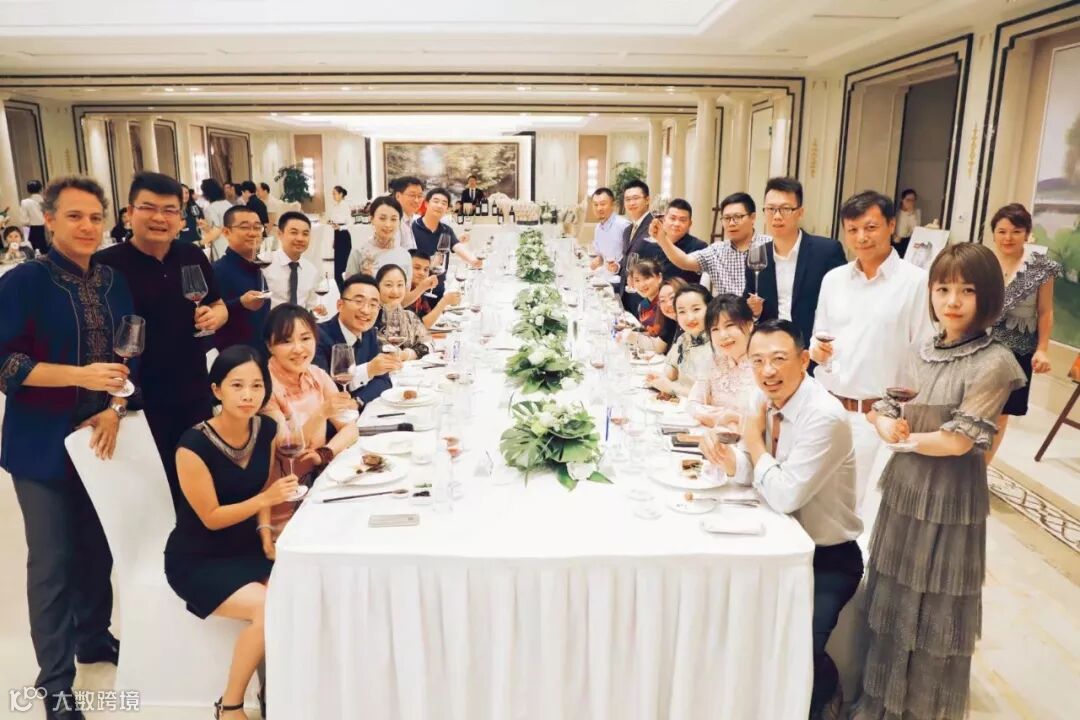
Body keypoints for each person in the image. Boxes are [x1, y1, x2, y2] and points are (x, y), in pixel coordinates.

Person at [852, 243, 1025, 720]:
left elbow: (959, 441)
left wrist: (903, 438)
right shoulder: (919, 350)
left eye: (967, 291)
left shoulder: (995, 362)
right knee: (893, 594)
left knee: (936, 610)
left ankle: (922, 710)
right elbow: (884, 407)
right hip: (905, 487)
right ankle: (880, 704)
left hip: (950, 496)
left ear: (987, 296)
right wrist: (885, 424)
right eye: (943, 289)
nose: (952, 301)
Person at [1, 176, 136, 720]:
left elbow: (131, 355)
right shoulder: (24, 282)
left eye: (96, 217)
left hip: (100, 437)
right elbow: (7, 366)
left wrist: (115, 408)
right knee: (52, 563)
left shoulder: (113, 281)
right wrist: (79, 375)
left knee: (97, 549)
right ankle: (55, 684)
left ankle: (94, 638)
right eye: (75, 216)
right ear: (50, 220)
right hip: (41, 444)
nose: (87, 226)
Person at [702, 319, 863, 719]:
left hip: (826, 557)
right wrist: (731, 460)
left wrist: (752, 443)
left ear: (804, 360)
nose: (767, 371)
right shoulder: (762, 399)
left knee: (796, 652)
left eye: (778, 359)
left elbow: (785, 494)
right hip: (775, 544)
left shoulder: (823, 417)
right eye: (757, 361)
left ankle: (822, 696)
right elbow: (759, 471)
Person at [164, 346, 297, 720]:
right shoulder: (192, 446)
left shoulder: (265, 429)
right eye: (237, 385)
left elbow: (264, 487)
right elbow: (211, 517)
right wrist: (265, 501)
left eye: (256, 386)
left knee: (298, 591)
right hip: (198, 558)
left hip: (247, 547)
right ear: (216, 389)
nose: (247, 395)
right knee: (270, 606)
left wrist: (266, 534)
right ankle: (230, 705)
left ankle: (282, 692)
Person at [96, 171, 228, 504]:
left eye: (169, 210)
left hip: (193, 390)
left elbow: (218, 303)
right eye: (148, 208)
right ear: (129, 212)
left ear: (181, 218)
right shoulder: (106, 266)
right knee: (152, 491)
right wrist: (115, 401)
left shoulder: (191, 256)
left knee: (197, 480)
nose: (159, 218)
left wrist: (217, 315)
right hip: (139, 399)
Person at [810, 191, 933, 520]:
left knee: (865, 515)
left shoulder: (916, 283)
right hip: (829, 408)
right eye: (852, 230)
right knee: (820, 506)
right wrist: (817, 351)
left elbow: (925, 354)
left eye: (870, 227)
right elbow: (820, 336)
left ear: (891, 225)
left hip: (877, 418)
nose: (861, 237)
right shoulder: (833, 280)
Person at [261, 305, 359, 534]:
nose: (298, 349)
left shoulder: (316, 375)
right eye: (286, 341)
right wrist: (321, 413)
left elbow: (351, 429)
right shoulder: (263, 387)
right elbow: (286, 447)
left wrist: (324, 453)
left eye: (305, 338)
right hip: (284, 501)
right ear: (269, 346)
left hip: (321, 486)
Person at [986, 203, 1062, 463]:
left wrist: (1042, 349)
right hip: (979, 346)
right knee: (971, 408)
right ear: (993, 234)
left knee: (1001, 414)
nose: (1008, 238)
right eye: (1002, 231)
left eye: (1016, 231)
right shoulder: (981, 263)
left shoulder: (1041, 268)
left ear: (1027, 234)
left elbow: (1045, 312)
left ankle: (982, 468)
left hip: (1017, 350)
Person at [745, 176, 847, 346]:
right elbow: (750, 305)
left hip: (814, 347)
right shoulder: (757, 256)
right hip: (772, 347)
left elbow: (843, 302)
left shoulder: (827, 252)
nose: (777, 216)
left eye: (785, 209)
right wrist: (754, 312)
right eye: (771, 209)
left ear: (800, 212)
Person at [315, 273, 402, 409]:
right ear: (340, 305)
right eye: (359, 301)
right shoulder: (318, 337)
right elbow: (323, 390)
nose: (366, 310)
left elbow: (383, 380)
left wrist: (358, 401)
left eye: (373, 304)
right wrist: (368, 370)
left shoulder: (369, 333)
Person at [653, 192, 767, 296]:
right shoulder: (716, 251)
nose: (731, 223)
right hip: (728, 311)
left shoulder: (769, 245)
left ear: (752, 218)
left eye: (737, 217)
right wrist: (662, 239)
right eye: (726, 218)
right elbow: (684, 260)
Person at [689, 294, 757, 427]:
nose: (723, 335)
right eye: (715, 329)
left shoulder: (764, 364)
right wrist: (721, 417)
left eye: (729, 325)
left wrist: (735, 420)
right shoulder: (714, 361)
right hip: (715, 436)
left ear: (749, 325)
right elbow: (692, 404)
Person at [212, 205, 270, 350]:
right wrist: (240, 303)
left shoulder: (259, 268)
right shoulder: (216, 271)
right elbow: (208, 317)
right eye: (245, 227)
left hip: (263, 353)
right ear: (226, 232)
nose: (253, 233)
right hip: (234, 356)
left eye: (257, 227)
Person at [645, 284, 713, 398]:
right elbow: (673, 368)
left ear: (710, 308)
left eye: (696, 309)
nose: (690, 318)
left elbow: (710, 397)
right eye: (682, 312)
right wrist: (660, 378)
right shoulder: (684, 338)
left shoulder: (720, 344)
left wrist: (672, 388)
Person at [263, 211, 328, 316]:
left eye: (305, 234)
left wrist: (316, 311)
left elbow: (310, 306)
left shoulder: (311, 270)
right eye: (294, 232)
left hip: (300, 323)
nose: (300, 238)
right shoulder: (265, 265)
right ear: (280, 234)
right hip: (269, 323)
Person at [344, 196, 415, 287]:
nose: (388, 224)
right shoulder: (359, 252)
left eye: (393, 219)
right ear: (372, 219)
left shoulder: (405, 255)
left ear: (399, 222)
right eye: (382, 218)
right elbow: (348, 289)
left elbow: (406, 294)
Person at [638, 198, 706, 287]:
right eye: (673, 218)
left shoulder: (699, 247)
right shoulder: (649, 245)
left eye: (682, 220)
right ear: (664, 220)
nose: (676, 224)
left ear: (690, 224)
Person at [411, 187, 482, 269]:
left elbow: (457, 246)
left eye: (444, 203)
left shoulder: (446, 230)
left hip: (440, 277)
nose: (439, 206)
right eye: (436, 201)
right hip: (419, 276)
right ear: (426, 204)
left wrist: (472, 260)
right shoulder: (412, 228)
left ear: (447, 209)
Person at [375, 264, 432, 360]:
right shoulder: (370, 317)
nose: (395, 291)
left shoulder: (409, 316)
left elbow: (429, 344)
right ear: (377, 287)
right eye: (388, 285)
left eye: (400, 285)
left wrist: (407, 355)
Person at [617, 179, 654, 311]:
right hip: (627, 294)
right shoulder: (628, 230)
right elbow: (627, 258)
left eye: (636, 198)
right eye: (627, 199)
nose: (631, 203)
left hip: (644, 298)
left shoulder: (655, 226)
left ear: (647, 200)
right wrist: (617, 266)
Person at [626, 258, 674, 352]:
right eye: (637, 280)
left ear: (659, 277)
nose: (642, 284)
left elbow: (660, 348)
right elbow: (645, 332)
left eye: (647, 278)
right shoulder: (642, 305)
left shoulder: (667, 306)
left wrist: (632, 336)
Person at [408, 250, 462, 328]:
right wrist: (444, 302)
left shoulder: (419, 289)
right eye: (417, 268)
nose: (422, 273)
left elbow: (427, 315)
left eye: (426, 269)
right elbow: (420, 326)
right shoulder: (404, 292)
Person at [589, 187, 629, 271]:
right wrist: (598, 260)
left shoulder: (624, 225)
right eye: (595, 205)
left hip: (620, 276)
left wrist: (617, 267)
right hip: (605, 274)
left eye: (603, 204)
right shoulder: (598, 228)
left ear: (612, 205)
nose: (599, 208)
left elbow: (631, 258)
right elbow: (601, 256)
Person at [326, 185, 353, 291]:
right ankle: (340, 291)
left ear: (341, 194)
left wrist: (340, 227)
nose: (333, 195)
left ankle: (345, 290)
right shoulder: (335, 206)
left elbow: (350, 223)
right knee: (337, 268)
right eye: (332, 194)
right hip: (337, 235)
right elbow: (333, 219)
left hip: (344, 236)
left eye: (335, 193)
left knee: (341, 267)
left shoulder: (344, 205)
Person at [200, 179, 232, 260]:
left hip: (220, 243)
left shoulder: (211, 208)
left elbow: (216, 229)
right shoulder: (228, 204)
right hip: (232, 240)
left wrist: (200, 243)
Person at [389, 175, 424, 250]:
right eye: (412, 195)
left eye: (420, 196)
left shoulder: (413, 220)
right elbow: (393, 254)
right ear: (398, 196)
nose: (417, 200)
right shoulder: (393, 221)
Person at [21, 179, 48, 254]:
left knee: (34, 251)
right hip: (45, 228)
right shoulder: (46, 201)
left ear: (28, 191)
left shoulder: (25, 202)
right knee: (45, 250)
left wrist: (25, 236)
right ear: (41, 189)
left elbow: (24, 220)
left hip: (32, 230)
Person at [894, 188, 920, 258]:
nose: (910, 203)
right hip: (896, 243)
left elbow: (915, 230)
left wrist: (911, 213)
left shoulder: (916, 213)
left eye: (913, 200)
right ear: (902, 200)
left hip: (909, 242)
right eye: (908, 200)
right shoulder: (897, 213)